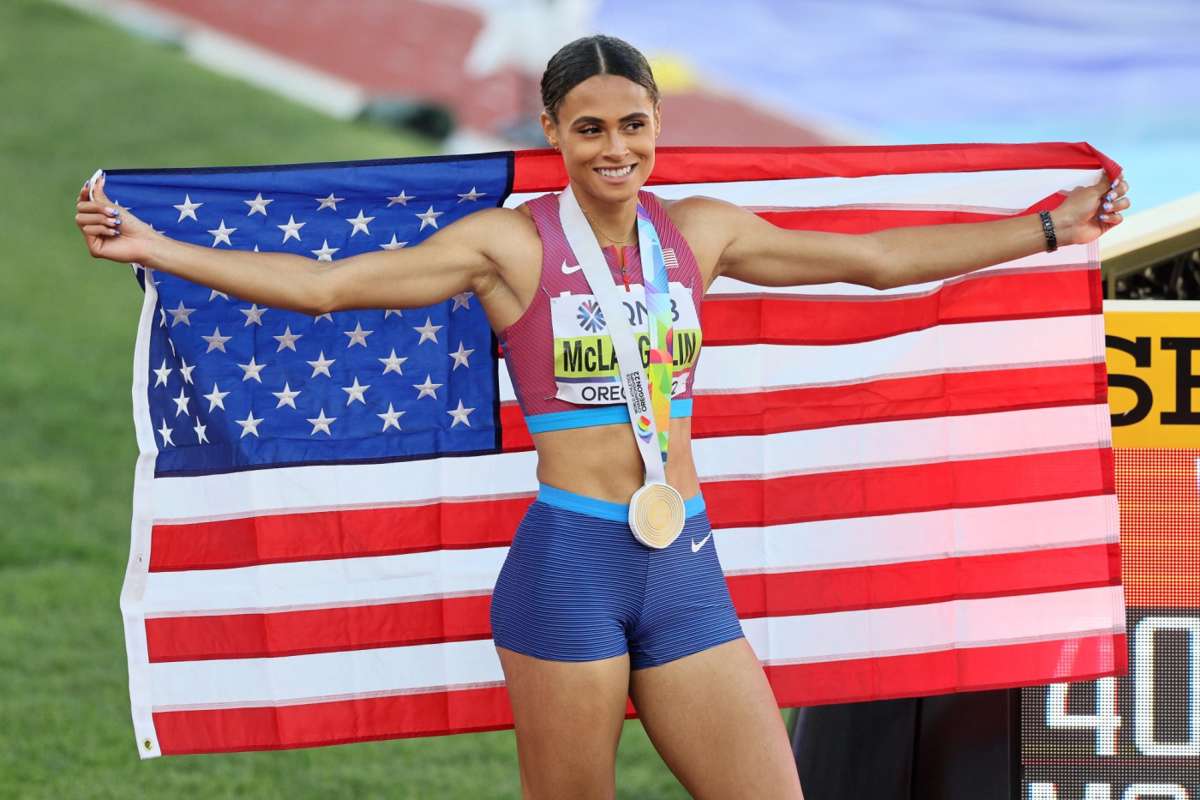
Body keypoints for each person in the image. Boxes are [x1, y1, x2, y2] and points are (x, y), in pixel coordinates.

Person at [75, 34, 1129, 800]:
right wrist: (156, 248)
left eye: (632, 125)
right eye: (589, 129)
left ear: (658, 124)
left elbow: (878, 261)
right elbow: (329, 287)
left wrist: (1047, 227)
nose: (613, 147)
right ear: (553, 132)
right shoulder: (509, 245)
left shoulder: (701, 233)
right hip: (569, 566)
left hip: (684, 566)